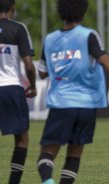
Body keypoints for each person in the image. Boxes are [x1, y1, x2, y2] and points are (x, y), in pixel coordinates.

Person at [36, 0, 109, 184]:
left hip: (62, 103)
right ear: (83, 12)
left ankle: (48, 181)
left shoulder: (50, 39)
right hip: (87, 105)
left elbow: (42, 72)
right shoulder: (88, 35)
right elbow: (104, 59)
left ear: (60, 12)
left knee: (46, 155)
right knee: (74, 154)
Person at [0, 0, 37, 183]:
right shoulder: (18, 28)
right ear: (12, 9)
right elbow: (29, 65)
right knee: (22, 138)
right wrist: (33, 85)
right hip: (11, 87)